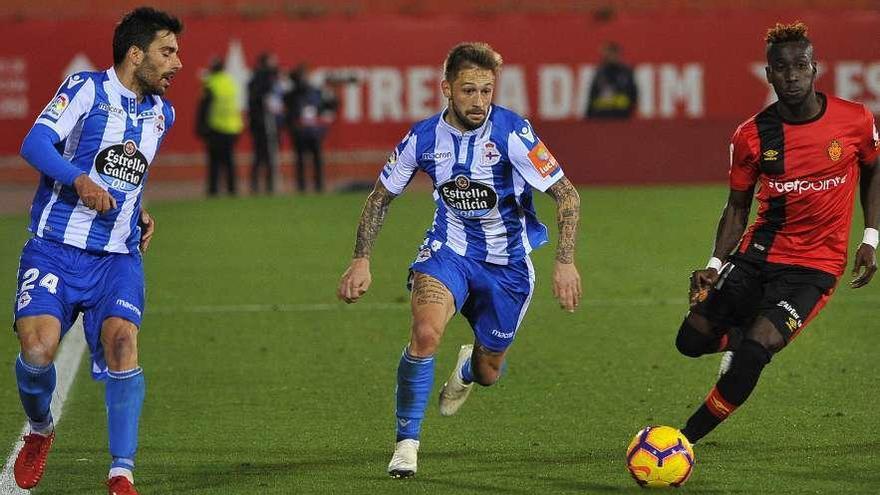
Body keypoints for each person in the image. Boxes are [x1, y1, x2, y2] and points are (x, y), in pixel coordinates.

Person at [336, 42, 583, 478]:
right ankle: (406, 444)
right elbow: (380, 198)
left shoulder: (513, 132)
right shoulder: (423, 137)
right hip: (448, 253)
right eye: (469, 90)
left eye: (487, 91)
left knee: (490, 372)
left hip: (508, 267)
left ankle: (469, 367)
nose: (480, 101)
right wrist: (361, 259)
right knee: (426, 333)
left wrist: (564, 262)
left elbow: (565, 194)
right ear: (446, 88)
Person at [676, 22, 878, 445]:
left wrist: (871, 236)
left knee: (755, 351)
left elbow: (873, 170)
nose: (792, 76)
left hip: (814, 267)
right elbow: (737, 207)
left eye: (800, 66)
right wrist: (714, 264)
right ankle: (743, 335)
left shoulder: (855, 120)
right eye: (781, 68)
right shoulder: (751, 135)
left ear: (815, 67)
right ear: (768, 74)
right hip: (758, 254)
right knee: (691, 340)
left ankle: (682, 440)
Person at [11, 7, 183, 494]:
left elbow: (130, 175)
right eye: (167, 52)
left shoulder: (162, 113)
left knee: (123, 341)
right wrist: (77, 179)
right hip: (53, 251)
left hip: (117, 257)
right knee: (38, 350)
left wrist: (140, 211)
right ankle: (41, 431)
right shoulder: (87, 88)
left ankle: (121, 472)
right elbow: (35, 142)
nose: (177, 63)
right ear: (135, 54)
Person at [196, 57, 243, 196]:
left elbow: (204, 108)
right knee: (229, 161)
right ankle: (232, 189)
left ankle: (213, 190)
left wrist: (201, 128)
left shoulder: (210, 83)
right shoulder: (229, 82)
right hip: (233, 127)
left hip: (216, 127)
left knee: (214, 162)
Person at [285, 64, 335, 193]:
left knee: (316, 159)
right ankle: (302, 186)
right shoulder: (293, 93)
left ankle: (318, 185)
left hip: (313, 131)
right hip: (300, 130)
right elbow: (289, 112)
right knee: (301, 159)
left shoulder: (314, 91)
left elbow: (327, 106)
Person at [247, 52, 282, 194]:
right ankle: (266, 184)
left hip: (261, 122)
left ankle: (262, 184)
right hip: (263, 122)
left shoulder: (259, 78)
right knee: (264, 155)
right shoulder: (263, 78)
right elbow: (260, 98)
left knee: (262, 155)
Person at [585, 42, 638, 119]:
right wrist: (589, 115)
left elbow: (633, 94)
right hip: (601, 116)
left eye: (611, 54)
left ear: (617, 54)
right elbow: (592, 95)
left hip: (620, 115)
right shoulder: (599, 72)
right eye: (606, 54)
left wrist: (627, 112)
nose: (608, 57)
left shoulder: (626, 72)